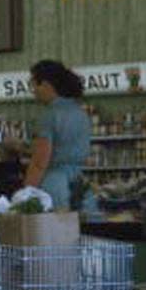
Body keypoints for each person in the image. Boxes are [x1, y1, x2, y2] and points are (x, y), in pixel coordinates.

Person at [23, 59, 91, 210]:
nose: (33, 91)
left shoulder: (50, 115)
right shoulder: (80, 112)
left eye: (33, 85)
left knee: (55, 230)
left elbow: (40, 162)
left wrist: (26, 194)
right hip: (80, 182)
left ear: (46, 85)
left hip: (55, 184)